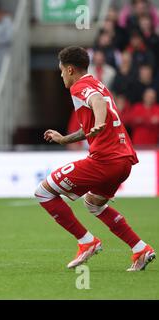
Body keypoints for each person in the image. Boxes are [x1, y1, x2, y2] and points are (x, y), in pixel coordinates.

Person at [35, 46, 155, 272]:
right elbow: (89, 127)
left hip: (105, 161)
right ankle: (140, 248)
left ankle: (86, 241)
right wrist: (64, 139)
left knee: (43, 192)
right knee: (93, 204)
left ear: (70, 69)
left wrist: (99, 121)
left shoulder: (81, 86)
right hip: (124, 160)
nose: (61, 75)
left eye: (61, 71)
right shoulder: (97, 83)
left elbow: (97, 102)